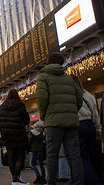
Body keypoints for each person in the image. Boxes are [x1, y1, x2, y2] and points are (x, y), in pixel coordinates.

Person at [36, 53, 84, 185]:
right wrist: (72, 112)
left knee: (52, 154)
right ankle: (78, 182)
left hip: (53, 123)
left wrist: (44, 116)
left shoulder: (43, 77)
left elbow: (42, 98)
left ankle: (51, 182)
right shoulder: (68, 78)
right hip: (71, 123)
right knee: (74, 154)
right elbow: (79, 97)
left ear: (48, 62)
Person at [71, 74, 101, 185]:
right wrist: (98, 129)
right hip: (90, 125)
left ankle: (91, 181)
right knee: (92, 155)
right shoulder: (88, 94)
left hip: (78, 125)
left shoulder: (70, 95)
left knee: (82, 157)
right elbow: (95, 114)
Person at [0, 89, 30, 185]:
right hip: (19, 134)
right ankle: (17, 177)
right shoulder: (20, 105)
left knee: (11, 155)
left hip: (7, 136)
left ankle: (14, 178)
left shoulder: (2, 107)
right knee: (20, 156)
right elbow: (27, 120)